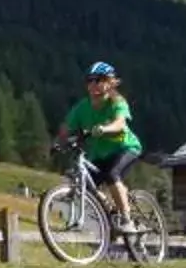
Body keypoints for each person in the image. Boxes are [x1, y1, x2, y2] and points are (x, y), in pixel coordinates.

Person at [57, 61, 146, 228]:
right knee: (87, 186)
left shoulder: (116, 102)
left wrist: (105, 129)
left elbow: (120, 123)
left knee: (112, 174)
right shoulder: (82, 107)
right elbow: (66, 127)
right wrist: (59, 143)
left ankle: (127, 219)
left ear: (110, 83)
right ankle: (112, 212)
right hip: (100, 154)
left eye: (98, 80)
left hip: (126, 148)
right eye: (89, 80)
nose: (93, 84)